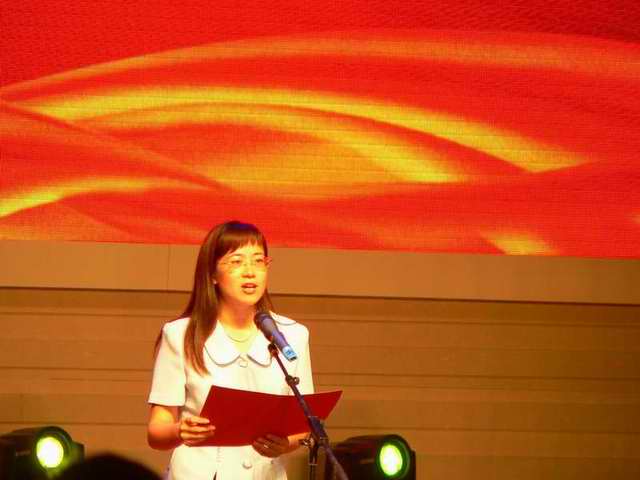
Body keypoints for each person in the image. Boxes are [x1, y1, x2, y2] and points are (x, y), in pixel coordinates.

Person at [147, 221, 314, 480]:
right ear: (212, 274)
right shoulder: (180, 334)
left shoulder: (292, 335)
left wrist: (286, 444)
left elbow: (303, 423)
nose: (250, 272)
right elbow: (157, 430)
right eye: (237, 262)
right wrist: (180, 430)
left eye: (258, 261)